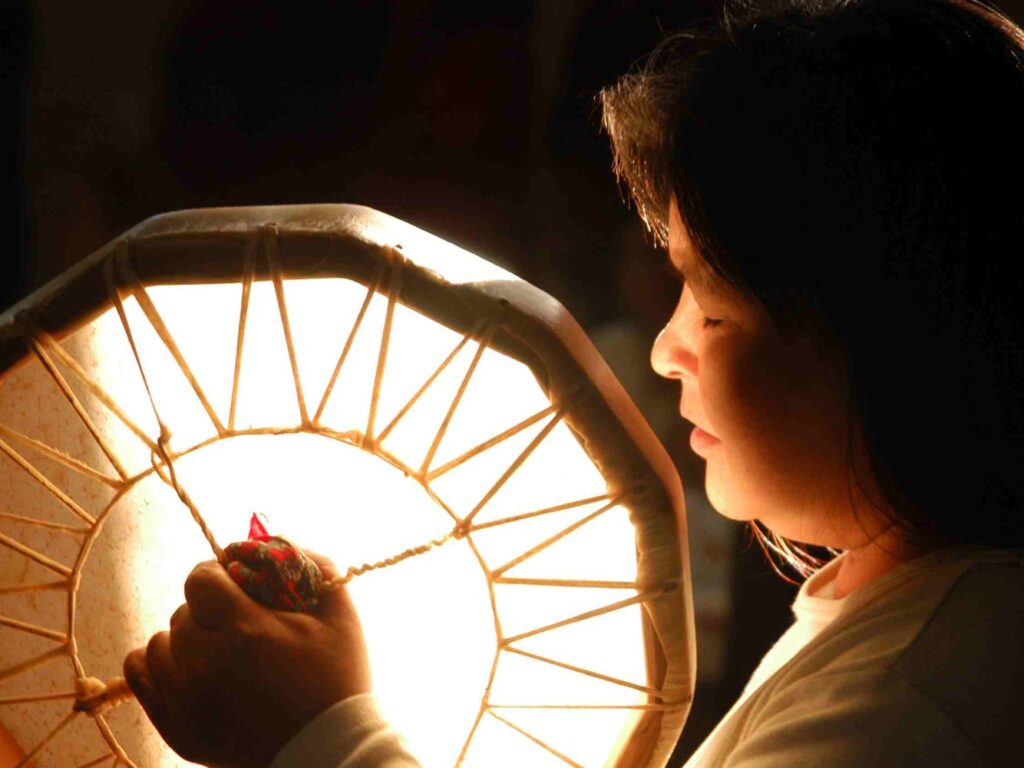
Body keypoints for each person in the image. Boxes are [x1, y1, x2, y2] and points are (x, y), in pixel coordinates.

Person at [123, 0, 1024, 765]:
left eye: (710, 306)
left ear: (881, 337)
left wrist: (323, 735)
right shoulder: (906, 623)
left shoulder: (916, 703)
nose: (669, 347)